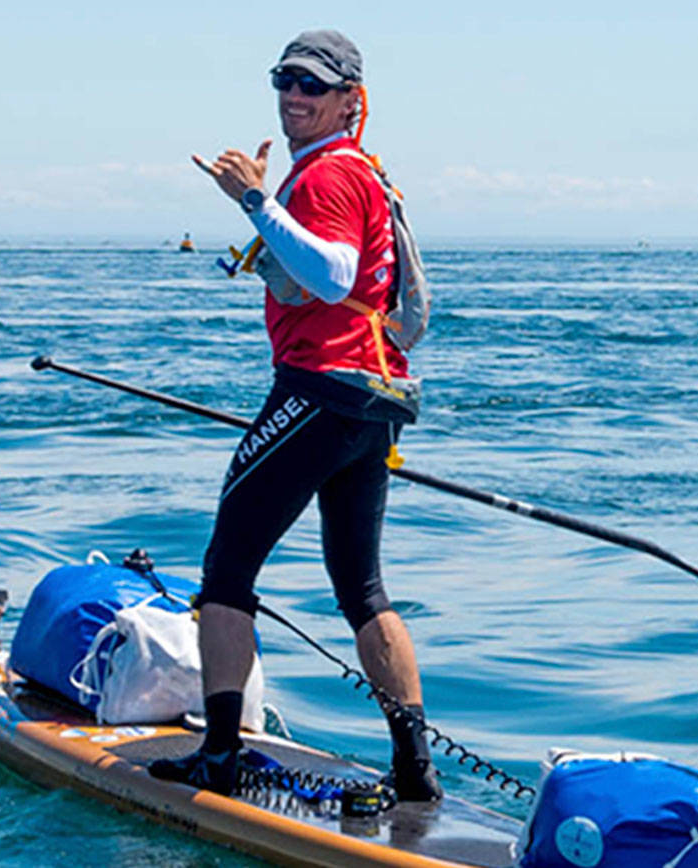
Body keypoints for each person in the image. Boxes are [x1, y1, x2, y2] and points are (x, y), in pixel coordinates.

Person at [148, 29, 441, 802]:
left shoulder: (329, 177)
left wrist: (253, 199)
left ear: (351, 100)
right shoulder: (362, 173)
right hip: (371, 402)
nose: (294, 97)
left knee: (225, 573)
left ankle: (218, 758)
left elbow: (333, 271)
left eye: (314, 86)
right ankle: (416, 772)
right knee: (361, 587)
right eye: (285, 81)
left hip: (320, 391)